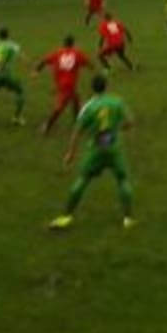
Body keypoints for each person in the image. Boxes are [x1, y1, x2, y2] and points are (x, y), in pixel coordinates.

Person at [48, 74, 136, 231]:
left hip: (96, 148)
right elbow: (130, 123)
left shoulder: (88, 107)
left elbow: (77, 132)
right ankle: (128, 218)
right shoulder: (117, 101)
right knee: (122, 179)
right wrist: (116, 129)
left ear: (92, 88)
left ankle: (66, 216)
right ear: (107, 86)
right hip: (114, 148)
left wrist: (70, 153)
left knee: (83, 179)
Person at [34, 35, 93, 136]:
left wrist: (36, 71)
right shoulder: (77, 53)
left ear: (64, 44)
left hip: (61, 84)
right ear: (73, 43)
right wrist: (90, 67)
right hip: (68, 85)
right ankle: (47, 126)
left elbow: (43, 61)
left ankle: (78, 121)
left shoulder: (57, 53)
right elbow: (89, 64)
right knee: (59, 108)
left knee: (76, 100)